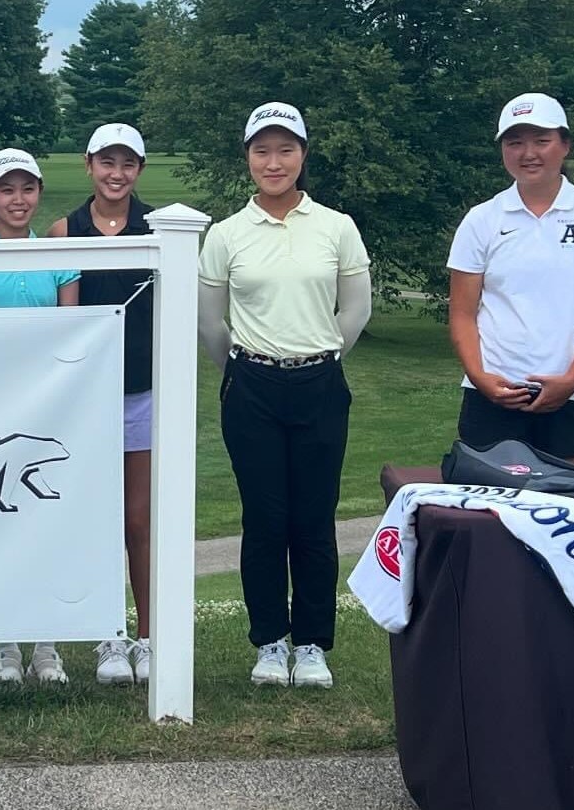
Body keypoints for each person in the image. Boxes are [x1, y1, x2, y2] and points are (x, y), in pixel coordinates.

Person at [196, 102, 372, 689]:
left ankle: (314, 643)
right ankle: (271, 641)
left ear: (303, 154)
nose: (274, 162)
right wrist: (257, 364)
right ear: (247, 157)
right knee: (266, 520)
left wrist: (316, 355)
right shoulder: (226, 235)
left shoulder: (336, 226)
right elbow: (212, 326)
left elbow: (354, 311)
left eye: (285, 149)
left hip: (320, 384)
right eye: (262, 151)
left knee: (314, 521)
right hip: (252, 387)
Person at [447, 92, 574, 464]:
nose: (528, 153)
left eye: (541, 140)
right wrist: (481, 378)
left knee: (573, 511)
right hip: (497, 390)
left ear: (564, 145)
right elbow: (463, 314)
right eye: (515, 142)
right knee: (493, 515)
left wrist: (572, 381)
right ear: (503, 150)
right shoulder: (481, 219)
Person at [0, 149, 76, 686]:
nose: (18, 200)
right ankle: (5, 643)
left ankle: (46, 644)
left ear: (39, 193)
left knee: (43, 524)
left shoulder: (59, 254)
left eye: (27, 189)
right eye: (7, 190)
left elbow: (74, 330)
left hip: (50, 407)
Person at [45, 123, 155, 686]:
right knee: (98, 519)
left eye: (128, 164)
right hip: (87, 399)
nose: (117, 174)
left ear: (139, 169)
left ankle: (147, 635)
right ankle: (107, 633)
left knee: (140, 519)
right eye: (107, 162)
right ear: (90, 165)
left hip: (142, 390)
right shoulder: (66, 229)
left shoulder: (157, 227)